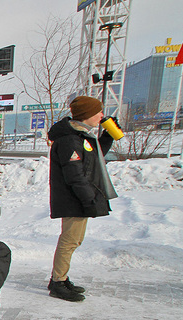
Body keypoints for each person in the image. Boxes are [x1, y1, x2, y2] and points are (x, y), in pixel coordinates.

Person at [47, 95, 117, 302]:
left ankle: (60, 278)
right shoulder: (70, 140)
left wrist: (107, 138)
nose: (101, 115)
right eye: (98, 112)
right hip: (73, 199)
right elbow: (75, 175)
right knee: (69, 241)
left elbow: (92, 157)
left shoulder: (79, 136)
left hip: (78, 197)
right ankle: (58, 282)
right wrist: (89, 200)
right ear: (87, 115)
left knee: (73, 240)